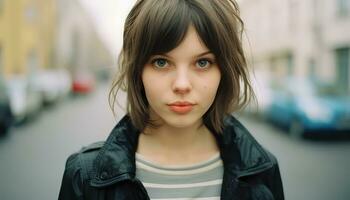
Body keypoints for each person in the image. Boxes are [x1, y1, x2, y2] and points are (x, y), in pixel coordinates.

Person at [58, 0, 284, 199]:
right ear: (138, 71)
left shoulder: (261, 172)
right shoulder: (85, 177)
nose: (182, 84)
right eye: (161, 62)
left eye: (202, 62)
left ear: (224, 70)